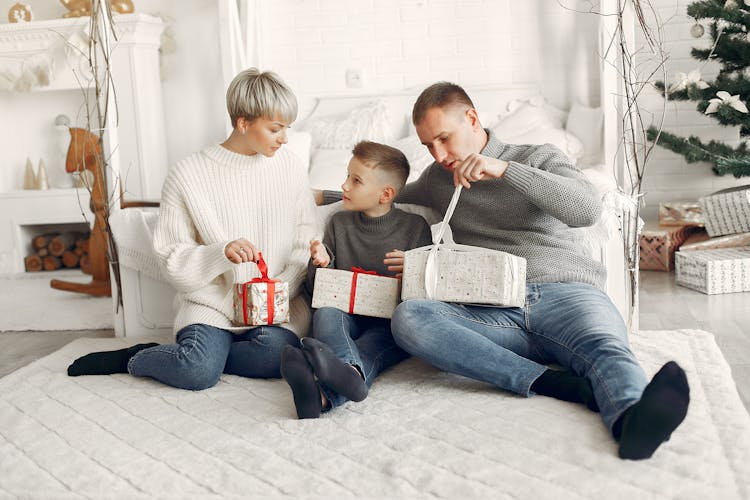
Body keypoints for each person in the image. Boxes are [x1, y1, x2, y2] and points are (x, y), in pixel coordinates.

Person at [324, 81, 689, 460]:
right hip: (493, 308)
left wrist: (504, 170)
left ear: (472, 118)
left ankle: (631, 421)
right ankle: (549, 382)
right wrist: (317, 196)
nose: (438, 153)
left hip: (567, 294)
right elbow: (386, 191)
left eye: (444, 138)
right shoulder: (438, 177)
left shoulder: (537, 156)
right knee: (410, 317)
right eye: (428, 145)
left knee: (606, 347)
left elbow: (585, 210)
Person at [67, 68, 319, 390]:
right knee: (196, 372)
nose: (284, 138)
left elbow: (306, 237)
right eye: (275, 129)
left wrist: (278, 287)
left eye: (287, 128)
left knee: (276, 357)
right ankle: (137, 357)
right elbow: (172, 257)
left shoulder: (290, 168)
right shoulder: (187, 174)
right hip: (210, 303)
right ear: (243, 123)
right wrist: (220, 253)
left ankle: (203, 355)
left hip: (273, 307)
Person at [280, 140, 432, 419]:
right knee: (326, 312)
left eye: (356, 180)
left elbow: (425, 295)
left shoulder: (415, 228)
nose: (345, 186)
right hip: (345, 313)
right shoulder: (339, 223)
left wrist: (411, 270)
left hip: (388, 323)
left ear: (386, 194)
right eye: (347, 177)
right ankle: (349, 377)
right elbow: (318, 291)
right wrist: (321, 263)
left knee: (374, 344)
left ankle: (322, 397)